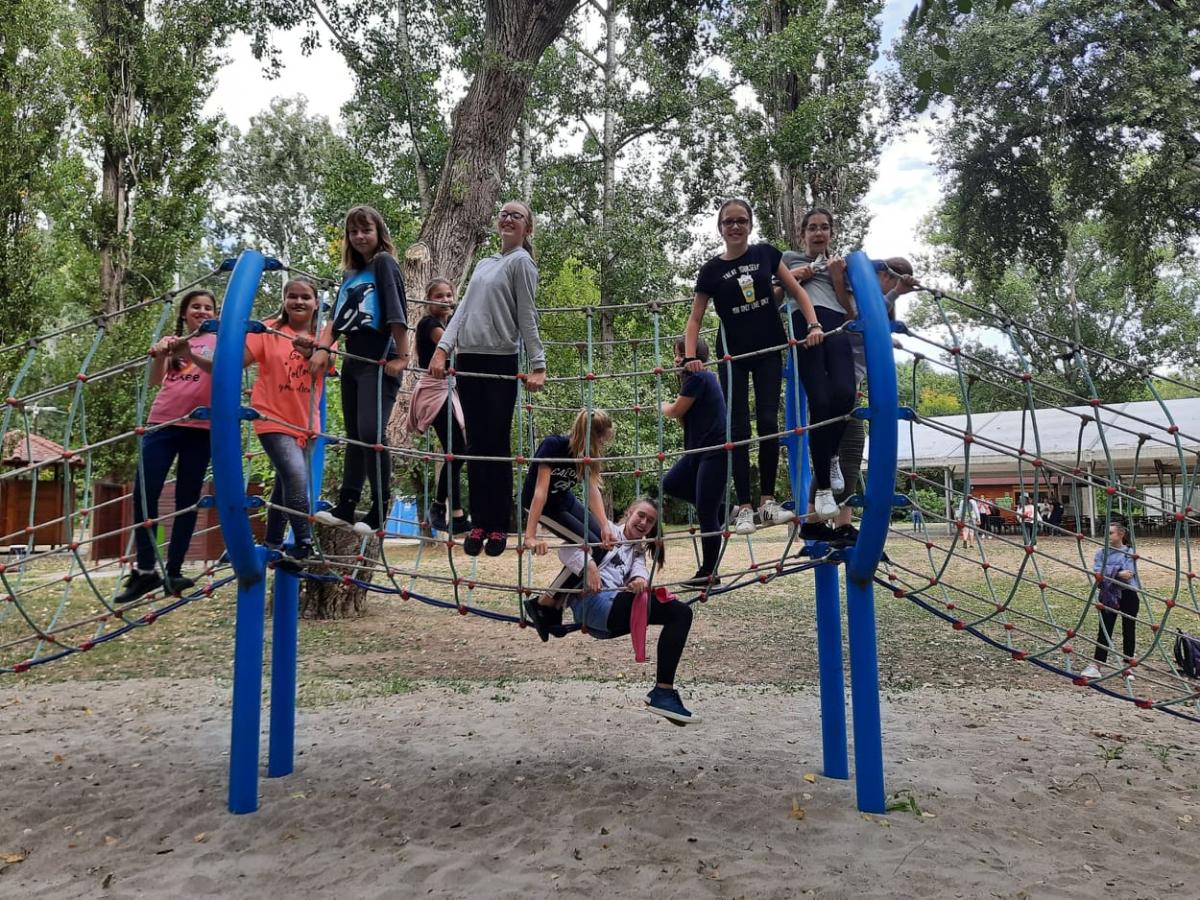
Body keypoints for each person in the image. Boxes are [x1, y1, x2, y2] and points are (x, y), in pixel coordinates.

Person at [684, 199, 823, 535]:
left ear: (750, 224)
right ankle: (744, 507)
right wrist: (690, 357)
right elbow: (695, 318)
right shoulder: (711, 270)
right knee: (738, 429)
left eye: (741, 220)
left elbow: (796, 291)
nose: (735, 226)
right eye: (729, 221)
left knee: (767, 422)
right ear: (720, 228)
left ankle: (767, 502)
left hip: (769, 350)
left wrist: (814, 324)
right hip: (732, 355)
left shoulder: (765, 254)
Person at [428, 200, 546, 557]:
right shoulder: (484, 263)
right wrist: (443, 349)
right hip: (468, 358)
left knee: (496, 443)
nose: (508, 218)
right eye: (504, 214)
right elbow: (462, 309)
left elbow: (527, 315)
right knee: (476, 444)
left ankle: (498, 524)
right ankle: (478, 522)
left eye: (516, 216)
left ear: (527, 228)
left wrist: (538, 364)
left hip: (499, 359)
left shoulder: (522, 263)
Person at [187, 277, 329, 571]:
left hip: (306, 423)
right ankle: (304, 544)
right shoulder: (268, 330)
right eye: (292, 296)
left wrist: (312, 351)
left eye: (305, 297)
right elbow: (233, 363)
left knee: (285, 483)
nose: (298, 302)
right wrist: (191, 353)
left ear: (316, 303)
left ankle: (273, 545)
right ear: (284, 300)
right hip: (271, 417)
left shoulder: (325, 336)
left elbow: (324, 368)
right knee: (295, 475)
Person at [525, 498, 699, 725]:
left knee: (678, 612)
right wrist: (589, 565)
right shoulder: (606, 529)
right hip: (592, 603)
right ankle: (662, 693)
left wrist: (639, 580)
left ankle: (663, 692)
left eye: (650, 521)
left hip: (609, 616)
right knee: (679, 613)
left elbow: (639, 570)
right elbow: (566, 549)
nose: (644, 523)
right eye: (641, 515)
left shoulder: (637, 550)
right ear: (629, 513)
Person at [799, 256, 916, 544]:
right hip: (837, 387)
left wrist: (888, 336)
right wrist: (893, 293)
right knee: (839, 449)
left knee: (842, 452)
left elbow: (871, 324)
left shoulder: (878, 307)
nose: (888, 285)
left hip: (852, 388)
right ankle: (822, 522)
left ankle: (830, 523)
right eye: (889, 279)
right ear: (884, 276)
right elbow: (854, 319)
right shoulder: (857, 296)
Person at [310, 206, 410, 536]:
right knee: (354, 434)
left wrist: (403, 356)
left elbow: (396, 310)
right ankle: (346, 505)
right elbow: (336, 320)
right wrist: (323, 348)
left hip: (379, 355)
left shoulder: (384, 262)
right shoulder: (350, 274)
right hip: (353, 358)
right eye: (353, 231)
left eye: (366, 230)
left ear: (379, 232)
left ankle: (380, 509)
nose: (359, 236)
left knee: (371, 432)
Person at [114, 290, 217, 604]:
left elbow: (219, 372)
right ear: (185, 313)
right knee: (144, 493)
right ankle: (146, 571)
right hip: (163, 422)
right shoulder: (172, 342)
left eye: (208, 307)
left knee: (187, 499)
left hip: (201, 428)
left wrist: (190, 352)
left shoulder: (220, 341)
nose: (202, 311)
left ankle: (173, 571)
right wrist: (160, 354)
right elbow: (154, 381)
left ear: (215, 314)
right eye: (196, 307)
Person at [778, 208, 859, 521]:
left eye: (824, 227)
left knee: (845, 394)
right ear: (802, 234)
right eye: (812, 228)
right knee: (820, 402)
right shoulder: (789, 259)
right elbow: (773, 297)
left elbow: (850, 313)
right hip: (803, 326)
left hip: (835, 324)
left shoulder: (840, 264)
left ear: (831, 233)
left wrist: (837, 278)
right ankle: (823, 488)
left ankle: (833, 454)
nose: (818, 233)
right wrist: (796, 276)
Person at [662, 336, 730, 589]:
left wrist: (662, 406)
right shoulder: (693, 380)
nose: (676, 359)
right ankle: (723, 510)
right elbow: (686, 419)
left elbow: (675, 411)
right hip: (697, 452)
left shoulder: (700, 376)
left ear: (695, 355)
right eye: (676, 354)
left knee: (705, 513)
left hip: (714, 451)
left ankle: (709, 573)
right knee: (671, 483)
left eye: (681, 354)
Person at [407, 278, 469, 535]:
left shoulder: (446, 322)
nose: (445, 300)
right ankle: (444, 510)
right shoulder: (429, 324)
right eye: (439, 296)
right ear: (428, 300)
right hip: (434, 391)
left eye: (448, 295)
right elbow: (450, 346)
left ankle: (449, 511)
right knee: (458, 451)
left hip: (446, 389)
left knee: (456, 451)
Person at [522, 408, 617, 567]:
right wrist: (530, 536)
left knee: (603, 542)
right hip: (543, 507)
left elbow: (593, 491)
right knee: (594, 547)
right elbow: (540, 492)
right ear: (592, 436)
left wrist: (605, 526)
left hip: (565, 501)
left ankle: (587, 579)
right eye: (602, 439)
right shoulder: (553, 445)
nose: (603, 444)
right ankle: (563, 586)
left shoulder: (586, 456)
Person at [1081, 523, 1141, 682]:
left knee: (1129, 629)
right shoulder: (1101, 553)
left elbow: (1128, 574)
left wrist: (1110, 571)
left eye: (1111, 533)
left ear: (1121, 534)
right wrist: (1117, 572)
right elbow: (1098, 571)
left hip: (1128, 593)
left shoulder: (1129, 552)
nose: (1107, 536)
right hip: (1109, 594)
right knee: (1105, 628)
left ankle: (1127, 666)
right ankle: (1097, 664)